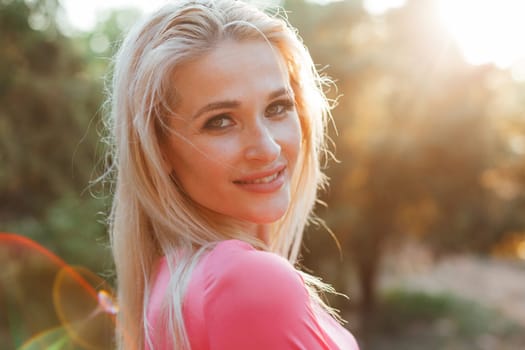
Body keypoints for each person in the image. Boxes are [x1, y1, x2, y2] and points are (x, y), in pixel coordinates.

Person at [105, 0, 359, 349]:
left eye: (278, 107)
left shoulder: (169, 284)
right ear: (158, 149)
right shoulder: (248, 283)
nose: (268, 148)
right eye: (220, 121)